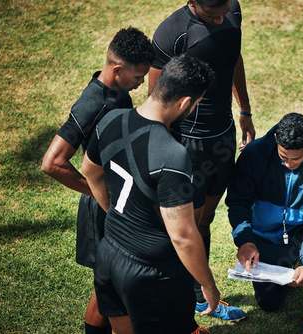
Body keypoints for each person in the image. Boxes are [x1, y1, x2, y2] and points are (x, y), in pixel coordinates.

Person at [81, 54, 220, 334]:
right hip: (151, 274)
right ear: (184, 102)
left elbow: (89, 171)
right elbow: (183, 236)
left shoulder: (110, 120)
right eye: (196, 103)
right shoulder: (172, 155)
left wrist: (116, 213)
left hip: (109, 254)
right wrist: (207, 284)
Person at [41, 27, 155, 334]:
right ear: (118, 70)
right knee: (111, 286)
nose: (142, 83)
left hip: (118, 201)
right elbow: (52, 163)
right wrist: (95, 192)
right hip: (103, 208)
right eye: (138, 77)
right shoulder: (94, 103)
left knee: (108, 285)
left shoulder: (116, 93)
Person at [147, 0, 254, 321]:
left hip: (223, 137)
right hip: (188, 145)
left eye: (223, 12)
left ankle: (195, 298)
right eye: (211, 16)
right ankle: (189, 298)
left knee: (205, 219)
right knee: (186, 227)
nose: (220, 18)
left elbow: (232, 59)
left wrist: (245, 110)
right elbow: (155, 96)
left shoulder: (231, 9)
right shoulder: (171, 33)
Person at [226, 112, 303, 334]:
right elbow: (238, 202)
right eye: (282, 157)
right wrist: (245, 240)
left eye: (295, 159)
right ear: (277, 139)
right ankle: (285, 269)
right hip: (264, 234)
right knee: (269, 304)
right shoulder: (254, 154)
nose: (288, 164)